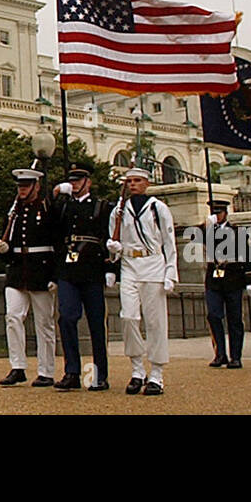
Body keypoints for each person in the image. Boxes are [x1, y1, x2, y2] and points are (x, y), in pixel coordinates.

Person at [108, 167, 177, 395]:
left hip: (153, 265)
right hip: (129, 266)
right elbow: (114, 239)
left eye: (137, 181)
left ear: (147, 183)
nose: (132, 185)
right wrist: (114, 253)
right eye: (129, 181)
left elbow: (169, 242)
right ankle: (137, 369)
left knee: (155, 322)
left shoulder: (158, 208)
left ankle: (157, 373)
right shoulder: (119, 210)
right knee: (128, 317)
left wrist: (170, 273)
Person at [49, 164, 114, 391]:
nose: (74, 184)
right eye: (72, 180)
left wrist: (111, 269)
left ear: (88, 182)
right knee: (66, 317)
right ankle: (72, 371)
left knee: (96, 323)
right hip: (68, 269)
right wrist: (55, 195)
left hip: (92, 268)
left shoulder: (101, 206)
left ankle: (99, 374)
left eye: (78, 180)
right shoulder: (64, 206)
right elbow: (52, 228)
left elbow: (108, 237)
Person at [0, 168, 57, 387]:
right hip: (16, 270)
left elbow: (57, 242)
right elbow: (9, 238)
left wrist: (55, 274)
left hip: (41, 270)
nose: (22, 190)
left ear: (36, 187)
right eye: (20, 186)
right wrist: (2, 249)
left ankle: (46, 370)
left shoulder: (46, 208)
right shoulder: (14, 211)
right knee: (12, 317)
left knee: (44, 323)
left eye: (26, 186)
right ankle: (17, 366)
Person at [200, 199, 251, 369]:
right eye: (214, 213)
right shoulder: (207, 231)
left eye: (219, 213)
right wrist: (207, 225)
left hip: (233, 277)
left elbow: (248, 256)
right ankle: (220, 354)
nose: (216, 216)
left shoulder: (237, 232)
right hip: (214, 279)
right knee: (214, 316)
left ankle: (236, 356)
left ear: (225, 213)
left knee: (235, 319)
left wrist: (250, 281)